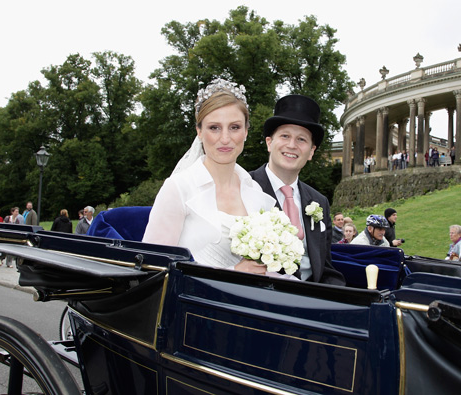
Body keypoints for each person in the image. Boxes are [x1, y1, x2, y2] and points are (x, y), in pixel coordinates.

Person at [143, 78, 275, 275]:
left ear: (246, 131)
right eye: (214, 127)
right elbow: (152, 267)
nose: (225, 138)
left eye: (235, 127)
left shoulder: (254, 189)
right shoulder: (178, 189)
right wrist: (234, 273)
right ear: (199, 132)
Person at [250, 94, 345, 285]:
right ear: (269, 142)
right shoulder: (245, 188)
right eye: (285, 136)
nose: (292, 145)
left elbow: (326, 268)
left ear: (311, 152)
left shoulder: (320, 202)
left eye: (301, 139)